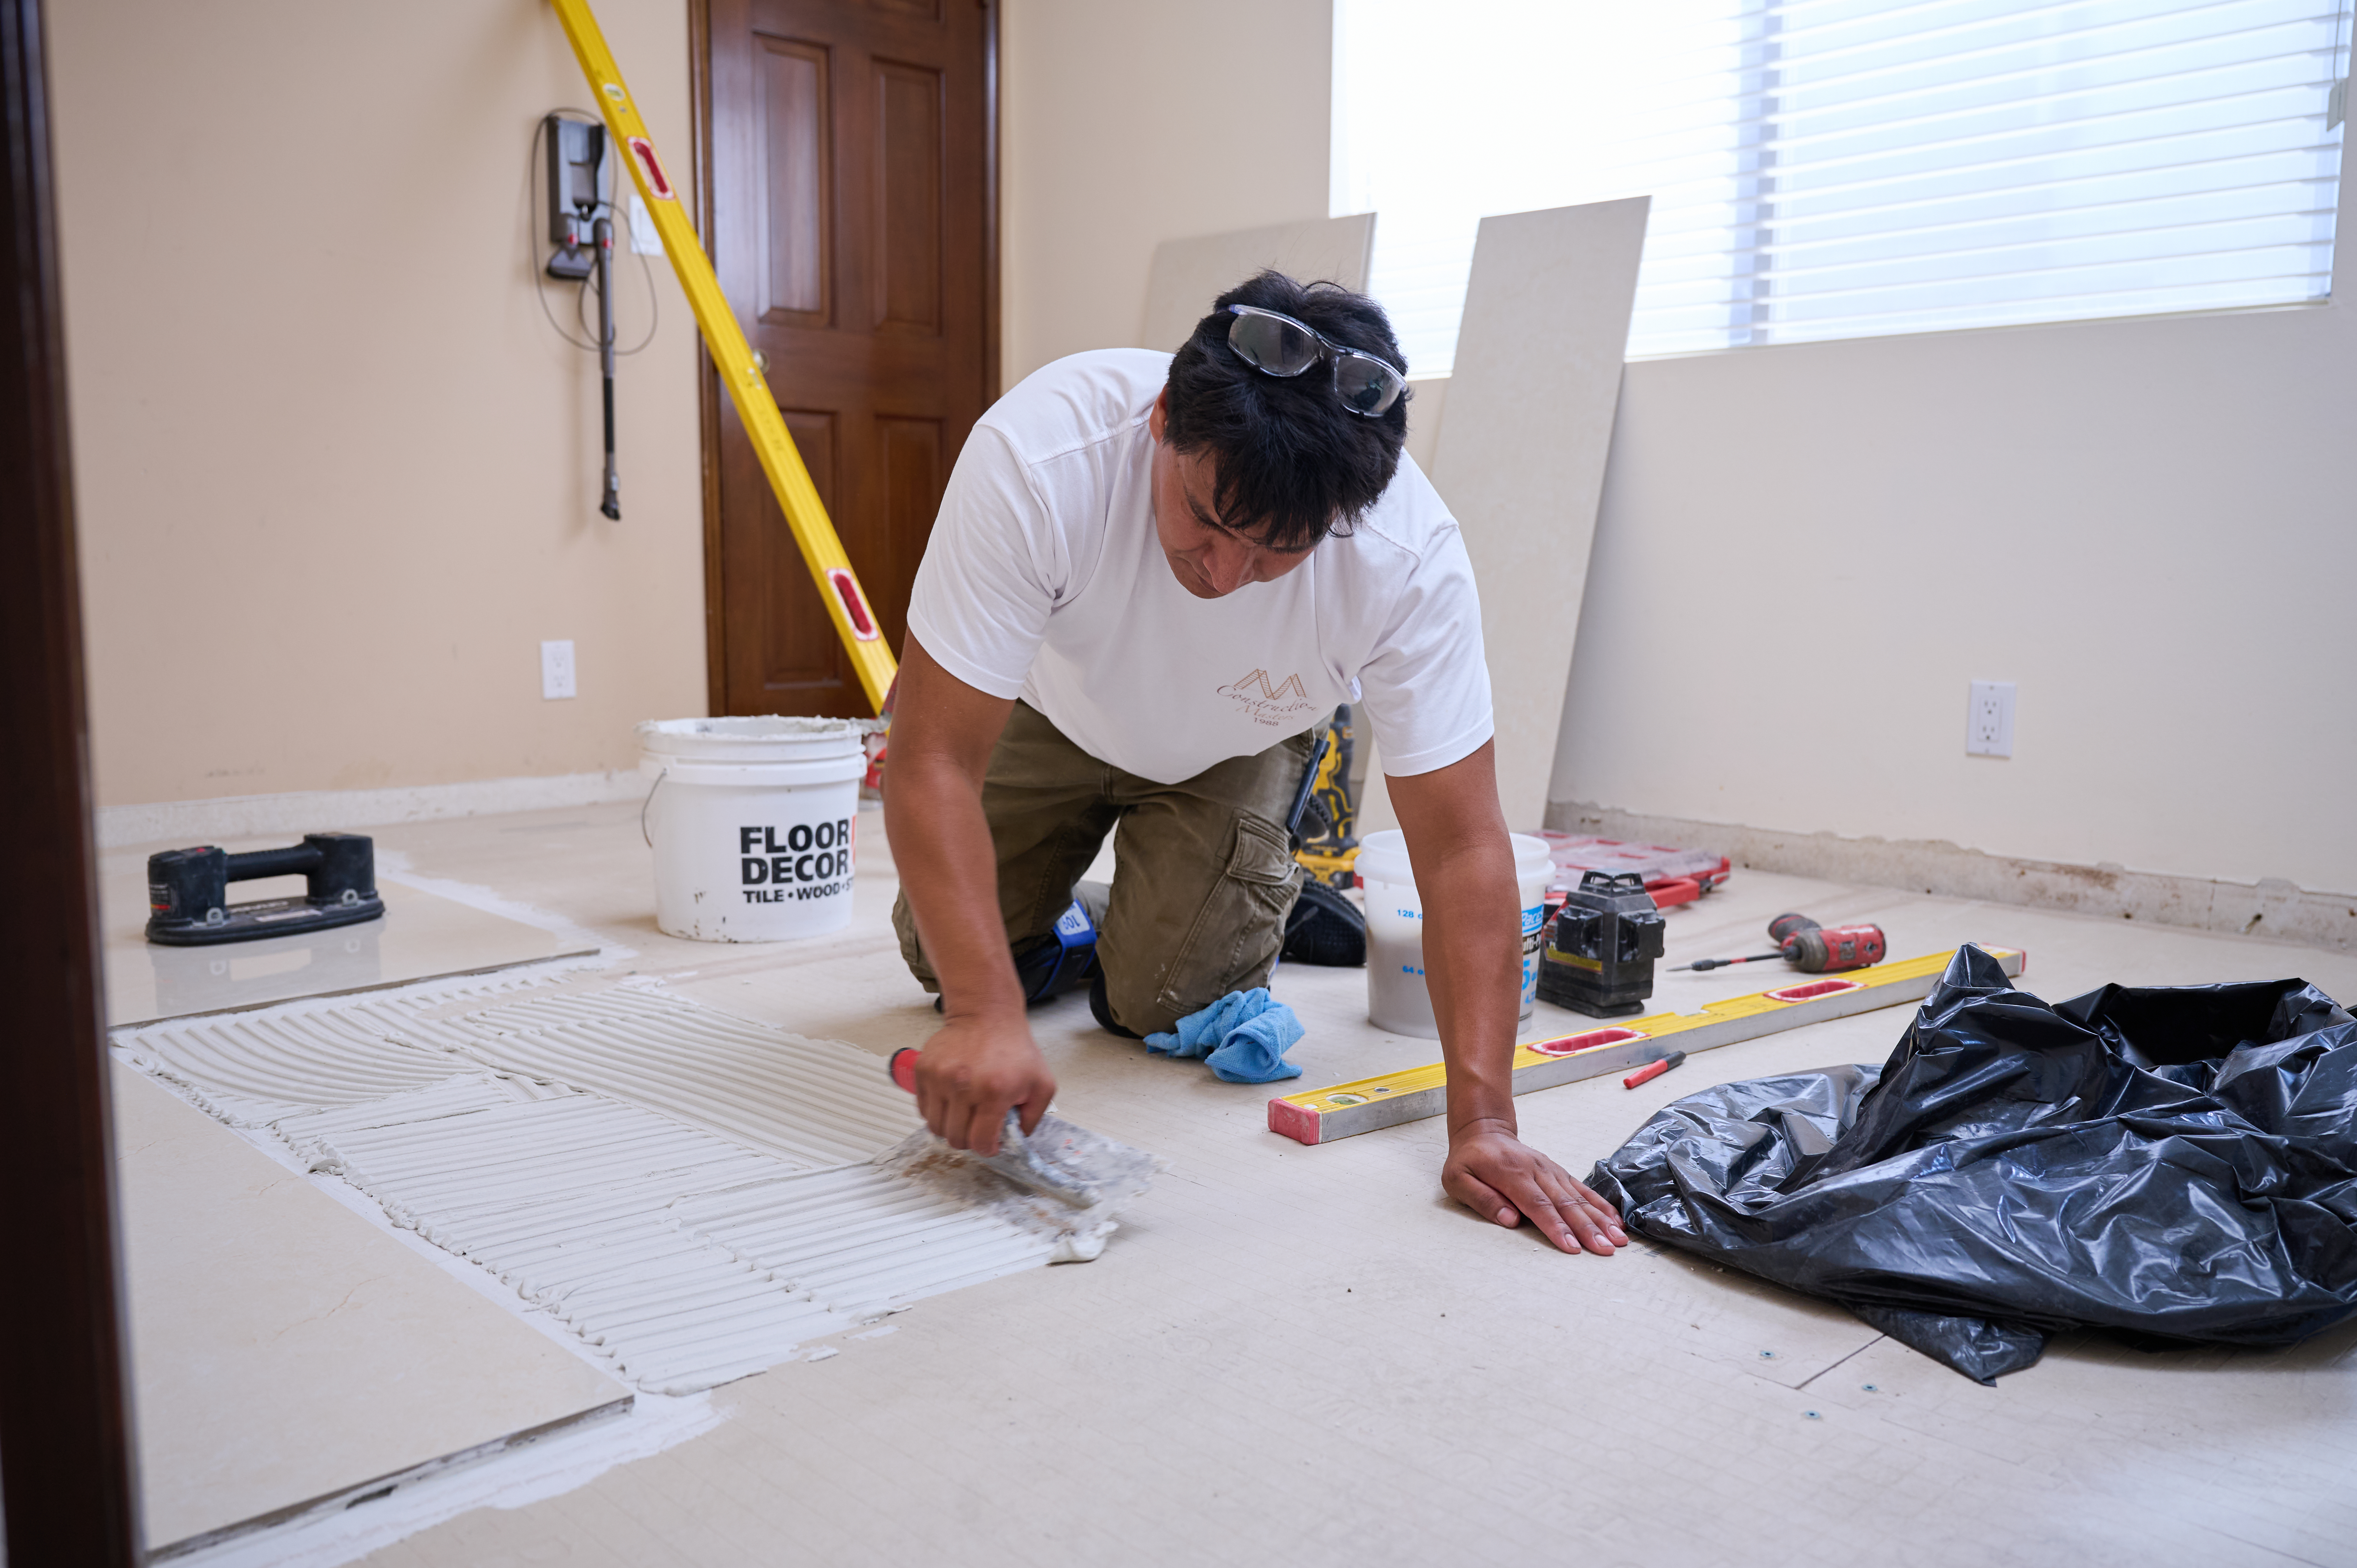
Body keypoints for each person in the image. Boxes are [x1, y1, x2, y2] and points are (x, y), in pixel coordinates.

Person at [882, 271, 1627, 1257]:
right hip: (1049, 709)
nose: (1226, 575)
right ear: (1161, 423)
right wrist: (983, 1010)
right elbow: (930, 756)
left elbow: (1461, 847)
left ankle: (1203, 893)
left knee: (1164, 1002)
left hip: (1238, 735)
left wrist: (1484, 1121)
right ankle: (1083, 923)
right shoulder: (1041, 452)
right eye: (1206, 519)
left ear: (1347, 516)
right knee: (947, 960)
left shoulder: (1406, 560)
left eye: (1277, 551)